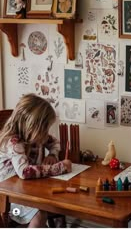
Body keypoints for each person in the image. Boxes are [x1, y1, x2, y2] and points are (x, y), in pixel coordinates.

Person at [0, 93, 72, 227]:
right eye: (44, 128)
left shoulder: (37, 136)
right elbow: (25, 172)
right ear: (32, 126)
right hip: (9, 200)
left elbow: (55, 143)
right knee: (39, 213)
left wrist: (52, 155)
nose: (46, 133)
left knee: (49, 203)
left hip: (27, 190)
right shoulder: (14, 142)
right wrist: (59, 167)